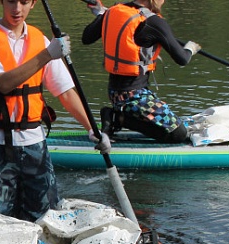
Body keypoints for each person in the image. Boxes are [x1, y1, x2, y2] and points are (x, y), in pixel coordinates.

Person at [0, 0, 104, 222]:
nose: (17, 9)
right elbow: (3, 83)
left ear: (32, 4)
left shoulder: (40, 40)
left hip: (33, 143)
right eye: (11, 1)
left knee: (46, 216)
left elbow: (66, 92)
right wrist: (48, 54)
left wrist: (92, 129)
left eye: (24, 2)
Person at [81, 0, 201, 143]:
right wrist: (190, 49)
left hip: (115, 94)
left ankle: (118, 116)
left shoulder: (113, 11)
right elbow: (182, 59)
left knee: (170, 126)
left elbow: (86, 38)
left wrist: (102, 14)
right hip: (134, 97)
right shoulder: (155, 22)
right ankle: (117, 118)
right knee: (179, 134)